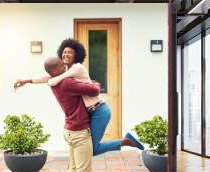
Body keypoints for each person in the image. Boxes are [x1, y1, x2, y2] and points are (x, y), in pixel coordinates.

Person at [14, 38, 144, 156]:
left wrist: (50, 82)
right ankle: (125, 141)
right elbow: (49, 77)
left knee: (92, 149)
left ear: (76, 54)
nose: (66, 54)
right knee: (90, 148)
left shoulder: (77, 68)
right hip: (91, 112)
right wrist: (28, 80)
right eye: (64, 52)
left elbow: (54, 79)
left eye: (70, 52)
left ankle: (125, 141)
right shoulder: (65, 70)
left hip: (99, 110)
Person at [43, 57, 100, 172]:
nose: (64, 65)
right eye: (60, 65)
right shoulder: (67, 83)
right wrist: (95, 84)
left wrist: (27, 80)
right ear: (54, 71)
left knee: (73, 171)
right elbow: (95, 91)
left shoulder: (53, 82)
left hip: (70, 130)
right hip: (79, 132)